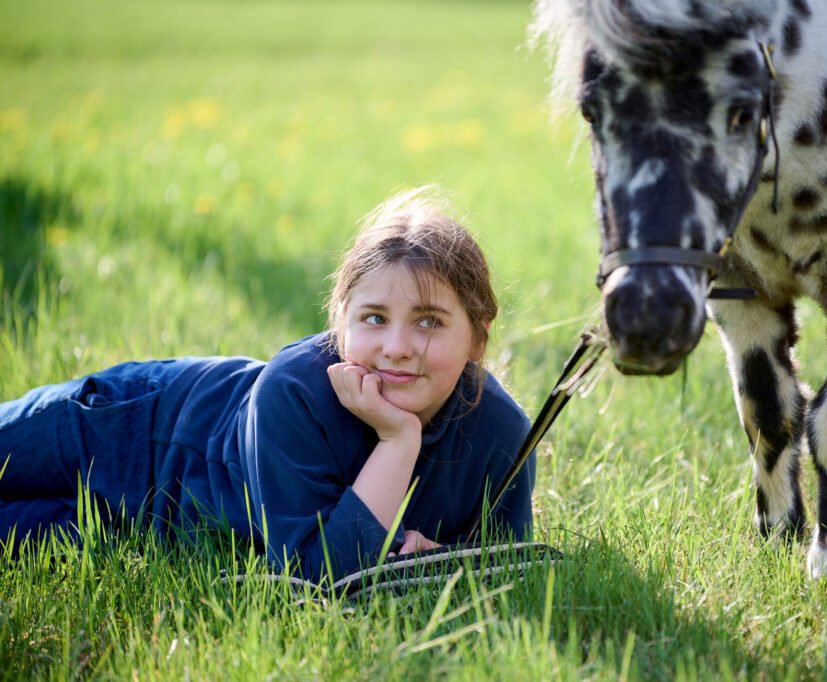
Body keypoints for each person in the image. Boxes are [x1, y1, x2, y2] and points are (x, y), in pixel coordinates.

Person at [0, 187, 535, 580]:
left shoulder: (500, 433)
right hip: (126, 429)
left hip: (145, 529)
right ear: (341, 323)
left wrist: (436, 555)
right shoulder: (297, 389)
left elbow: (505, 569)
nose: (396, 345)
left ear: (477, 339)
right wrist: (400, 441)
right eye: (374, 318)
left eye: (429, 321)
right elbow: (322, 574)